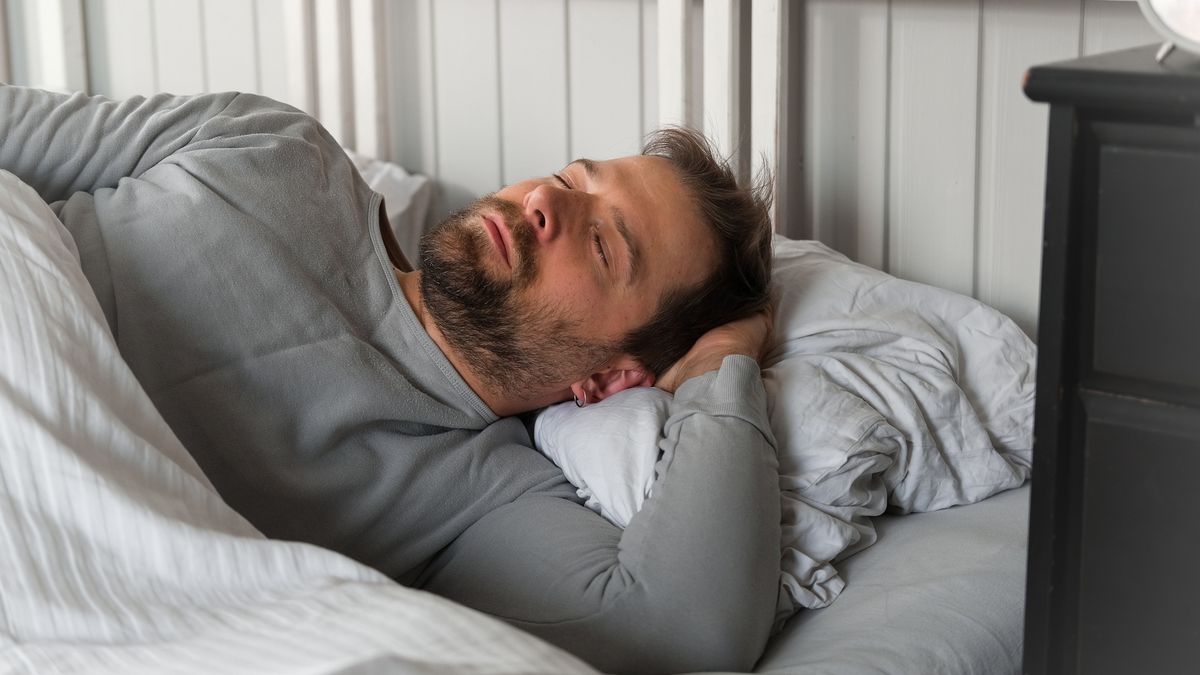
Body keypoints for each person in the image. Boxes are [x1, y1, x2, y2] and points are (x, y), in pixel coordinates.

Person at [0, 85, 780, 674]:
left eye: (604, 245)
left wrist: (724, 362)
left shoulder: (478, 499)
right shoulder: (270, 145)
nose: (545, 201)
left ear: (611, 378)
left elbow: (685, 629)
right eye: (571, 180)